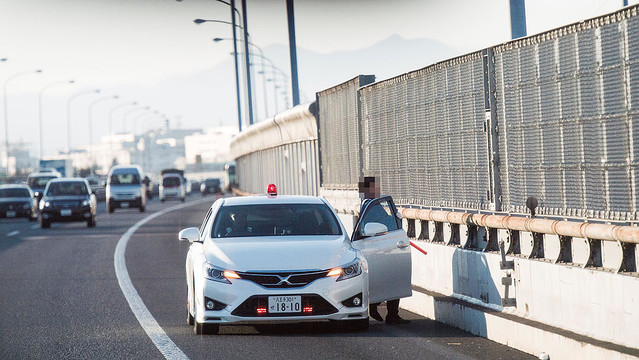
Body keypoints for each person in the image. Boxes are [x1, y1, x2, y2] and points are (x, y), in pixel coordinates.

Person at [358, 176, 410, 325]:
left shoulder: (364, 205)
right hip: (380, 247)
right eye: (374, 188)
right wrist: (396, 219)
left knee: (381, 278)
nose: (376, 191)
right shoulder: (372, 206)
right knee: (394, 277)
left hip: (372, 246)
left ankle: (375, 307)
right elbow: (386, 222)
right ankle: (390, 314)